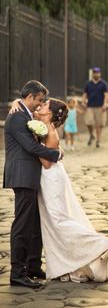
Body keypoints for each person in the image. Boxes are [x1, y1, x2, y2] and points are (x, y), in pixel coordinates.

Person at [8, 96, 108, 283]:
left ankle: (99, 244)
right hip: (50, 177)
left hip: (51, 178)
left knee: (58, 219)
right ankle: (61, 262)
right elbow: (26, 105)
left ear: (50, 113)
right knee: (53, 221)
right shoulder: (39, 121)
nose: (41, 105)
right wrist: (17, 101)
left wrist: (39, 147)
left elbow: (46, 164)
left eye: (45, 105)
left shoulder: (49, 132)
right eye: (41, 102)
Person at [4, 81, 62, 288]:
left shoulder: (24, 112)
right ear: (29, 97)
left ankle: (33, 266)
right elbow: (30, 146)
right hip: (22, 175)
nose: (40, 104)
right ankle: (17, 273)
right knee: (22, 225)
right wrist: (56, 154)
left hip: (31, 176)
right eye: (38, 100)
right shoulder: (18, 116)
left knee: (35, 224)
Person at [82, 67, 108, 148]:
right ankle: (91, 135)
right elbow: (85, 94)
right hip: (90, 106)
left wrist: (105, 104)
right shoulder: (88, 84)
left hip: (100, 106)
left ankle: (98, 140)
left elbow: (106, 94)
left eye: (97, 73)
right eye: (94, 73)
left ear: (100, 74)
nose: (96, 74)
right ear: (92, 74)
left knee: (99, 124)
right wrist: (83, 101)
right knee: (88, 122)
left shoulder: (103, 84)